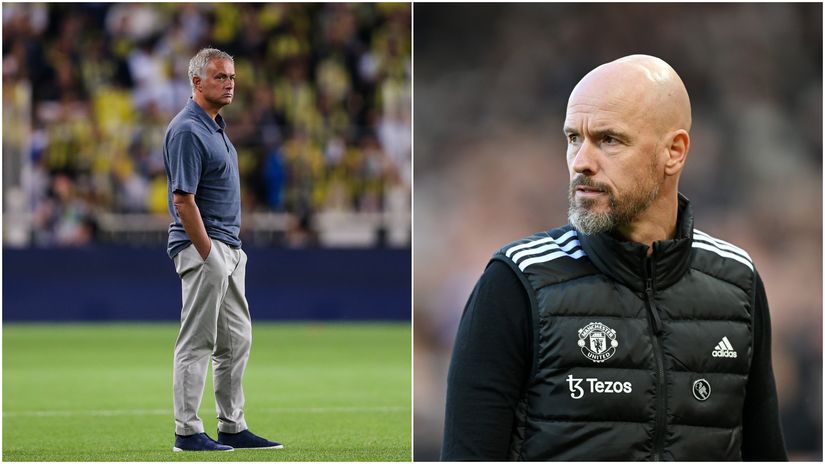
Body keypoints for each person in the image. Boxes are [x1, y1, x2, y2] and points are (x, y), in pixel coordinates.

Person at [441, 55, 788, 461]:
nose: (582, 162)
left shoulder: (737, 283)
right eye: (574, 138)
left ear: (674, 152)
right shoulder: (518, 280)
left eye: (609, 139)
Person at [163, 47, 282, 452]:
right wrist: (209, 253)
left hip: (229, 248)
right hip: (205, 250)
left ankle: (232, 425)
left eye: (231, 76)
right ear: (196, 82)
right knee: (197, 341)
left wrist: (227, 251)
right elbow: (183, 200)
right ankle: (187, 431)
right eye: (220, 77)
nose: (229, 83)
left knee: (236, 342)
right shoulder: (187, 130)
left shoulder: (215, 127)